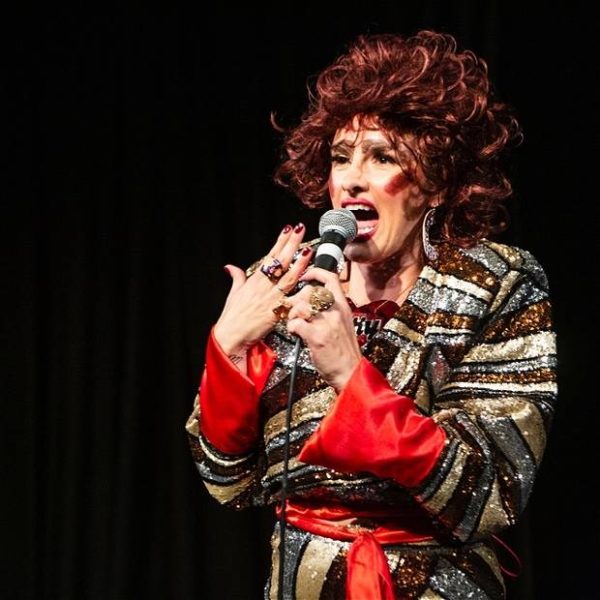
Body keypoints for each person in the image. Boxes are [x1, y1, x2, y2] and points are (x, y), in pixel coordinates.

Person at [185, 30, 557, 600]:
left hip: (437, 584)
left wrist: (349, 374)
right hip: (303, 582)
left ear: (436, 183)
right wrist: (229, 353)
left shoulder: (496, 283)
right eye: (340, 158)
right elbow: (227, 482)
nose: (350, 178)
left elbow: (489, 490)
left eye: (382, 157)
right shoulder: (284, 280)